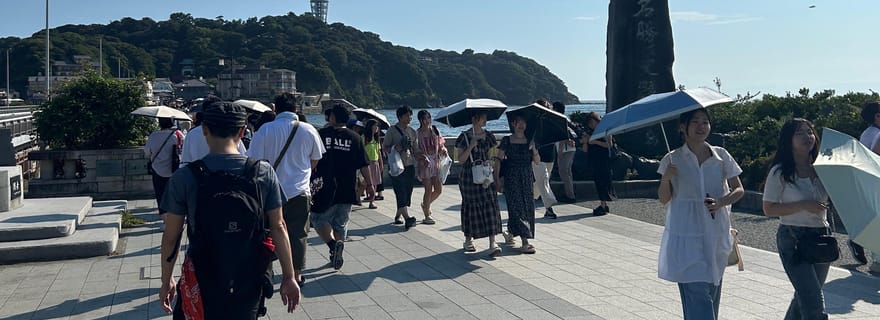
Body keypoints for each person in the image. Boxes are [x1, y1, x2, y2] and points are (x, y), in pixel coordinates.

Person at [158, 101, 300, 318]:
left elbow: (171, 236)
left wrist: (166, 279)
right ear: (242, 131)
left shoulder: (186, 176)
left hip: (204, 271)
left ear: (204, 129)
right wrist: (289, 277)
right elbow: (279, 226)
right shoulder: (262, 172)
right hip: (250, 272)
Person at [657, 108, 744, 320]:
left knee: (712, 292)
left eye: (705, 122)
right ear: (682, 127)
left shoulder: (721, 155)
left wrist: (721, 202)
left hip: (715, 231)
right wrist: (666, 178)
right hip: (685, 234)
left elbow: (739, 189)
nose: (701, 126)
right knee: (698, 295)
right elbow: (663, 198)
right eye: (695, 122)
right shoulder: (672, 158)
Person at [247, 93, 325, 288]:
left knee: (268, 233)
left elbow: (253, 161)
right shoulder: (309, 129)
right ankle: (296, 275)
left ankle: (268, 272)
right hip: (299, 191)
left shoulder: (265, 130)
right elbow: (316, 159)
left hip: (269, 193)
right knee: (298, 234)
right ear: (295, 107)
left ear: (275, 108)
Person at [762, 118, 831, 319]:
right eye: (799, 133)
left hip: (821, 236)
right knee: (813, 301)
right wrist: (803, 205)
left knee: (803, 298)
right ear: (788, 140)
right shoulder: (780, 171)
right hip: (793, 237)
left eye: (809, 132)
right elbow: (769, 209)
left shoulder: (822, 169)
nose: (807, 137)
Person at [312, 104, 374, 270]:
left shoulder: (321, 135)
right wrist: (370, 184)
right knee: (340, 223)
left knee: (318, 219)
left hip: (325, 185)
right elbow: (364, 164)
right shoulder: (354, 137)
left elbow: (311, 160)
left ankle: (333, 246)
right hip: (347, 186)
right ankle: (337, 251)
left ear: (332, 117)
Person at [456, 110, 503, 256]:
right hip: (469, 177)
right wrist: (471, 146)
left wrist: (490, 163)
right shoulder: (464, 137)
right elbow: (461, 160)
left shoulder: (488, 136)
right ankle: (468, 239)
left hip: (485, 174)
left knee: (490, 204)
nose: (485, 121)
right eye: (483, 118)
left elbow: (490, 155)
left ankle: (492, 242)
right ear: (475, 119)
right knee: (471, 206)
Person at [496, 115, 540, 254]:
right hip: (512, 178)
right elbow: (499, 159)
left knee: (527, 207)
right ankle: (525, 241)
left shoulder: (530, 141)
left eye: (523, 122)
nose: (521, 125)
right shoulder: (507, 140)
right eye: (518, 122)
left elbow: (537, 161)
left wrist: (534, 149)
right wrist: (496, 178)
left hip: (527, 177)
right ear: (513, 124)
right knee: (517, 207)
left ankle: (510, 232)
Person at [848, 101, 880, 272]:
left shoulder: (869, 133)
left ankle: (857, 239)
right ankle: (876, 261)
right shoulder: (875, 135)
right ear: (877, 116)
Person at [382, 105, 422, 227]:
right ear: (399, 117)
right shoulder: (392, 130)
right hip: (396, 166)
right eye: (406, 115)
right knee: (400, 191)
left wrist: (422, 158)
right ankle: (407, 218)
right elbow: (385, 147)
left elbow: (416, 150)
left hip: (409, 165)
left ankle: (398, 215)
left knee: (407, 192)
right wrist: (396, 148)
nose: (409, 117)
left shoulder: (412, 132)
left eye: (410, 115)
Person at [180, 97, 247, 166]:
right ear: (241, 132)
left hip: (197, 174)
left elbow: (185, 161)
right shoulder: (232, 132)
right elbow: (243, 154)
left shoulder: (192, 134)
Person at [144, 117, 184, 217]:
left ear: (160, 124)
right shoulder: (178, 135)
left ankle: (164, 219)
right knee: (175, 195)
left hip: (157, 169)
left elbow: (147, 152)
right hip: (175, 169)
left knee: (160, 195)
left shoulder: (153, 136)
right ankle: (175, 218)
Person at [415, 110, 448, 224]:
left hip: (436, 162)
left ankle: (425, 205)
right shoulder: (417, 133)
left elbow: (441, 144)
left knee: (438, 189)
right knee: (428, 189)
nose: (427, 121)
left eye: (428, 118)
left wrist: (443, 150)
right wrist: (422, 157)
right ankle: (426, 214)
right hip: (425, 164)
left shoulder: (434, 130)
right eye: (424, 119)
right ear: (420, 120)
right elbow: (415, 149)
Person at [582, 112, 616, 215]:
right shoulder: (590, 132)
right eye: (589, 123)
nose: (591, 125)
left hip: (604, 159)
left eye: (592, 122)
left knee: (604, 182)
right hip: (594, 160)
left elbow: (609, 145)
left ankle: (603, 205)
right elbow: (585, 150)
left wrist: (595, 142)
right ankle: (603, 204)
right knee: (598, 182)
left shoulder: (606, 129)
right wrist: (585, 141)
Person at [532, 100, 559, 218]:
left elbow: (560, 133)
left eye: (549, 106)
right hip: (538, 156)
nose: (548, 108)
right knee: (543, 180)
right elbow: (530, 138)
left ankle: (528, 200)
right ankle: (549, 207)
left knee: (540, 183)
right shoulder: (534, 122)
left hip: (550, 155)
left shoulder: (553, 121)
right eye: (546, 106)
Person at [552, 101, 577, 203]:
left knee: (564, 172)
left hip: (566, 149)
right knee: (567, 172)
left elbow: (562, 136)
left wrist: (560, 151)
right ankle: (570, 194)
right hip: (570, 149)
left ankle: (570, 196)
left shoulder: (559, 119)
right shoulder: (565, 118)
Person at [362, 119, 383, 209]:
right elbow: (361, 151)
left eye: (377, 126)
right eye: (375, 125)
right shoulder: (364, 137)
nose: (376, 128)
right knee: (366, 183)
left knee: (374, 182)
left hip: (375, 162)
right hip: (367, 163)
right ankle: (367, 197)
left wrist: (381, 162)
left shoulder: (376, 138)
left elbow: (379, 152)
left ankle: (372, 201)